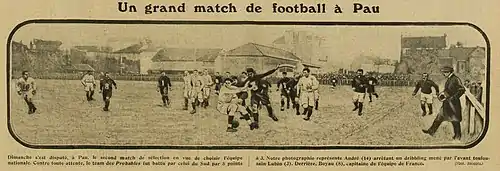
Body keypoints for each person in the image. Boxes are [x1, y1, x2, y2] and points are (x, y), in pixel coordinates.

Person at [422, 66, 465, 141]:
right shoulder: (449, 79)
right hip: (447, 103)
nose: (444, 74)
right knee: (439, 116)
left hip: (453, 104)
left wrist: (454, 97)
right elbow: (448, 90)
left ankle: (457, 136)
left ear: (449, 72)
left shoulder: (456, 79)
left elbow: (461, 89)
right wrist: (442, 95)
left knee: (455, 120)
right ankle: (431, 131)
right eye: (444, 72)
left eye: (445, 72)